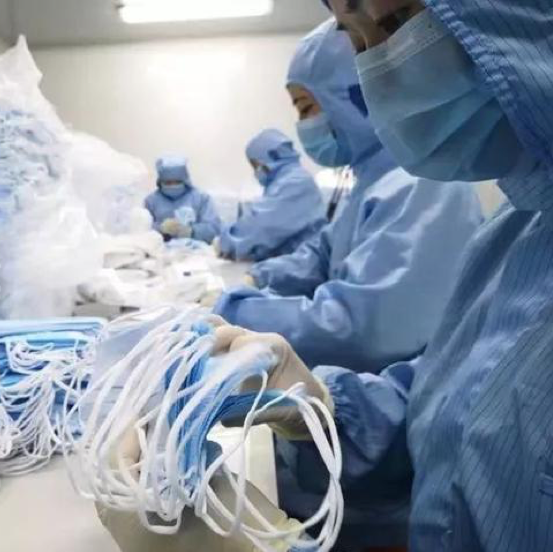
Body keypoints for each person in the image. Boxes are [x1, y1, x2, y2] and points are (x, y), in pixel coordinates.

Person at [98, 1, 553, 551]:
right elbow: (448, 406)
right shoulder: (519, 226)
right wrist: (319, 407)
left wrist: (233, 303)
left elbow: (372, 323)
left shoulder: (423, 188)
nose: (376, 69)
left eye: (393, 24)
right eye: (357, 42)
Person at [215, 19, 483, 377]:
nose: (304, 124)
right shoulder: (371, 182)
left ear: (354, 96)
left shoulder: (423, 184)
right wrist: (259, 279)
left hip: (391, 393)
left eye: (306, 107)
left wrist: (238, 311)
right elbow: (322, 254)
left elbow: (366, 329)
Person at [217, 129, 327, 262]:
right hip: (291, 263)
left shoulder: (295, 183)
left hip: (302, 265)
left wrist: (227, 242)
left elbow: (262, 225)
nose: (256, 171)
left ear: (271, 157)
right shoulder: (284, 180)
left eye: (256, 165)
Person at [145, 156, 221, 244]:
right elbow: (141, 229)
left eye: (177, 182)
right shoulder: (151, 201)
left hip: (196, 250)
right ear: (160, 182)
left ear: (185, 180)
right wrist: (160, 228)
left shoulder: (202, 198)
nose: (172, 186)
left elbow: (214, 229)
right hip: (158, 249)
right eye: (168, 183)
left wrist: (191, 231)